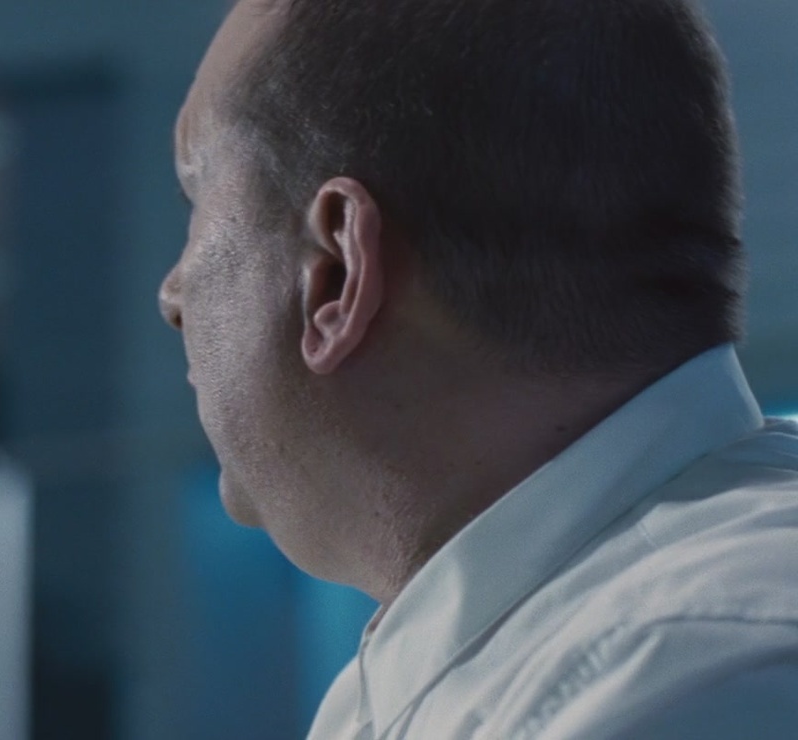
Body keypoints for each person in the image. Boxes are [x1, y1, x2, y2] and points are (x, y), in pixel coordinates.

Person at [158, 0, 798, 737]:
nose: (171, 295)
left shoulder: (677, 687)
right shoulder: (522, 654)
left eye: (197, 196)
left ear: (334, 276)